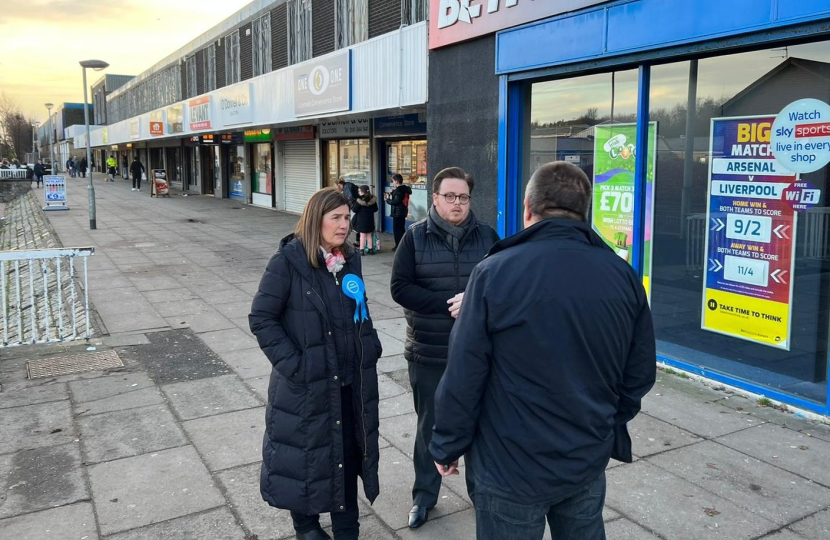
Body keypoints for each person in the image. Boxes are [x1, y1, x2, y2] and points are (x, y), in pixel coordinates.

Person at [429, 161, 657, 540]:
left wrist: (446, 444)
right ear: (585, 211)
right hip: (584, 458)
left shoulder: (494, 273)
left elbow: (464, 374)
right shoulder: (623, 276)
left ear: (527, 209)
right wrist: (604, 423)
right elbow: (639, 374)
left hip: (509, 467)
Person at [249, 187, 383, 540]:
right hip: (306, 385)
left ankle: (346, 528)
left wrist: (370, 345)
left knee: (349, 455)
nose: (345, 225)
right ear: (316, 220)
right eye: (336, 218)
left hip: (350, 382)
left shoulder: (350, 260)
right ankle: (306, 525)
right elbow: (262, 318)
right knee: (307, 457)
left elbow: (360, 312)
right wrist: (296, 366)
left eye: (347, 218)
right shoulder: (288, 262)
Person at [390, 166, 500, 529]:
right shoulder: (414, 238)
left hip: (479, 354)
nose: (457, 203)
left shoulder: (488, 238)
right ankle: (424, 497)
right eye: (449, 196)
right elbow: (400, 288)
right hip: (430, 350)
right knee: (430, 427)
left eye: (463, 197)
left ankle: (482, 495)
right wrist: (446, 303)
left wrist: (473, 301)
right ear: (434, 199)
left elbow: (505, 287)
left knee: (482, 427)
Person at [386, 174, 412, 250]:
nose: (392, 182)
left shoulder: (399, 190)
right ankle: (403, 245)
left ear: (397, 181)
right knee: (401, 229)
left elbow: (396, 201)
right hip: (402, 212)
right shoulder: (404, 189)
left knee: (397, 230)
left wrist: (387, 200)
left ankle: (399, 246)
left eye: (393, 181)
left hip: (397, 213)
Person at [352, 185, 379, 255]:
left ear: (362, 192)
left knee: (362, 236)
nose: (358, 193)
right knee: (369, 236)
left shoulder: (359, 201)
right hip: (370, 221)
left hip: (361, 221)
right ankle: (370, 249)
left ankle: (361, 250)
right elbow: (376, 209)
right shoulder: (372, 200)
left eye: (359, 191)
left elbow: (354, 210)